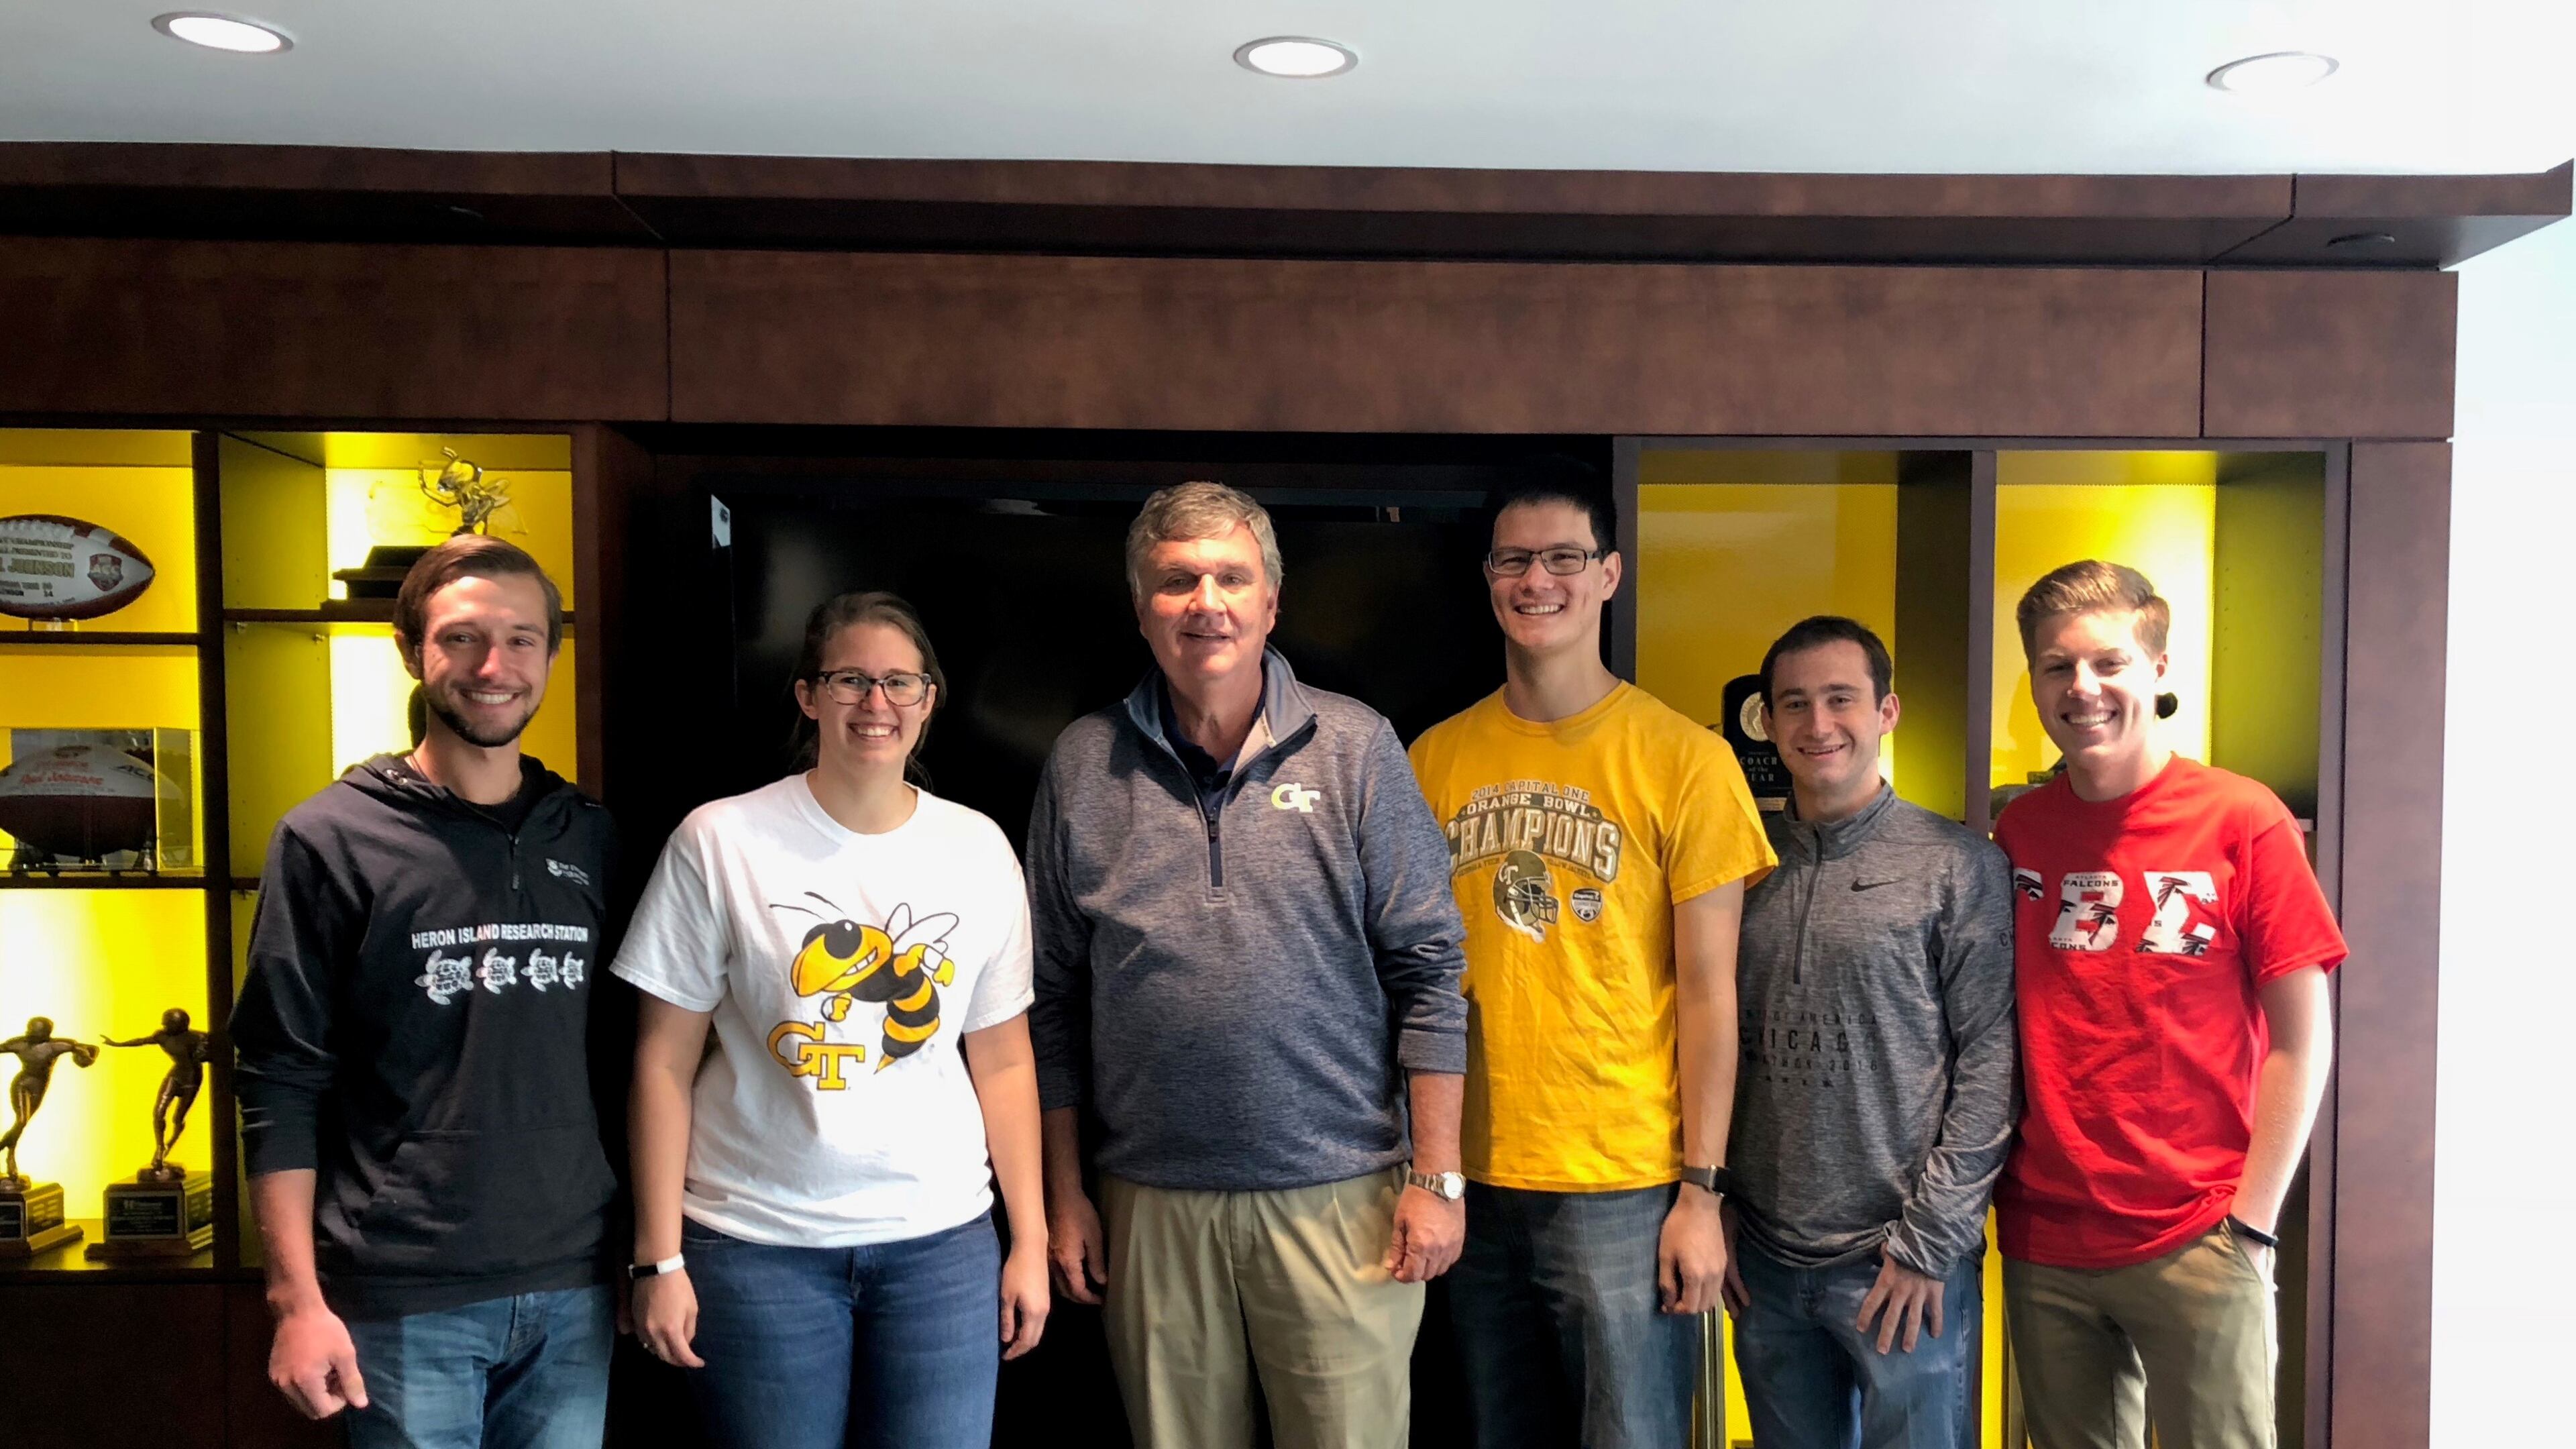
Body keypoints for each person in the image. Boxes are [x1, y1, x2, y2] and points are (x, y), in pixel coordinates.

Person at [1028, 481, 1468, 1449]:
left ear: (1272, 602)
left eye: (1232, 577)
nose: (1207, 602)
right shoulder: (1080, 765)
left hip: (1344, 1205)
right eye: (1177, 581)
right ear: (1140, 610)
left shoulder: (1356, 749)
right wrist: (1065, 1200)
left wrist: (1437, 1182)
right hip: (1148, 1205)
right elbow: (1048, 1002)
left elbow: (1432, 972)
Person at [612, 590, 1049, 1449]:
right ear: (809, 694)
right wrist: (658, 1258)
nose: (876, 704)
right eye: (850, 679)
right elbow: (661, 1064)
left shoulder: (979, 849)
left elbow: (1004, 1061)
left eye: (899, 682)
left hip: (942, 1249)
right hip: (754, 1247)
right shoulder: (720, 841)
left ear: (931, 699)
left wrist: (1027, 1240)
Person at [1407, 476, 1774, 1449]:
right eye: (1514, 559)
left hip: (1624, 1181)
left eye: (1564, 557)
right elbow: (1408, 977)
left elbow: (1709, 996)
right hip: (1471, 1179)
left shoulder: (1686, 760)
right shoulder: (1431, 760)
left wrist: (1703, 1190)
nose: (1538, 580)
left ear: (1608, 574)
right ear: (1489, 579)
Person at [232, 535, 619, 1448]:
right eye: (464, 639)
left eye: (524, 640)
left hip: (577, 1286)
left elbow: (633, 1055)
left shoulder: (592, 837)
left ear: (554, 657)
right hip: (402, 1296)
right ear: (412, 651)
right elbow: (280, 1079)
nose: (496, 667)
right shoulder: (330, 839)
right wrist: (296, 1299)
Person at [1995, 560, 2343, 1449]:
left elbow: (2303, 1042)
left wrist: (2253, 1229)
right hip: (2047, 1239)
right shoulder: (2019, 832)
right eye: (2056, 667)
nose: (2083, 689)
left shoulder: (2242, 820)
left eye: (2109, 663)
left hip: (2200, 1232)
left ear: (2157, 669)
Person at [1722, 616, 2017, 1449]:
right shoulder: (1740, 864)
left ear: (1886, 712)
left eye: (1841, 699)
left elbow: (1991, 1064)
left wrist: (1931, 1244)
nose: (1818, 726)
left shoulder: (1957, 865)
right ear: (1769, 721)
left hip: (1903, 1262)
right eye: (1795, 704)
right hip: (1768, 1265)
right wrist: (1721, 1199)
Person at [99, 1006, 214, 1177]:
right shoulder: (162, 1036)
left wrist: (205, 1051)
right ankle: (160, 1147)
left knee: (178, 1118)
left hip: (192, 1078)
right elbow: (141, 1041)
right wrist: (117, 1044)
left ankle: (170, 1143)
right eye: (165, 1023)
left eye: (169, 1023)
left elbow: (215, 1052)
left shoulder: (198, 1037)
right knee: (159, 1112)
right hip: (176, 1074)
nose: (165, 1025)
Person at [1, 1017, 98, 1183]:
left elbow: (90, 1049)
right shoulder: (20, 1044)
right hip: (22, 1084)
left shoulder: (56, 1046)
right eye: (29, 1030)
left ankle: (10, 1153)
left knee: (22, 1123)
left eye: (35, 1032)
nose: (30, 1034)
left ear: (46, 1034)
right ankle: (6, 1152)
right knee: (22, 1120)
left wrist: (86, 1057)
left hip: (39, 1088)